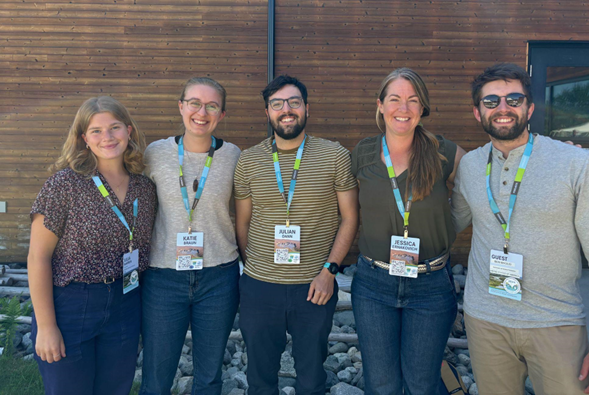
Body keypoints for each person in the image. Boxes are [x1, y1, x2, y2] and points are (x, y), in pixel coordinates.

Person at [451, 63, 589, 395]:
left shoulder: (576, 165)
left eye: (513, 99)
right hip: (486, 322)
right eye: (491, 101)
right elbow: (447, 225)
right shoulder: (471, 166)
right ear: (477, 112)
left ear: (529, 108)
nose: (503, 108)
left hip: (556, 323)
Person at [234, 75, 359, 395]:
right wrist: (258, 268)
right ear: (267, 112)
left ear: (307, 108)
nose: (286, 110)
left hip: (315, 287)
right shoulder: (248, 160)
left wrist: (329, 271)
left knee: (312, 377)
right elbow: (243, 223)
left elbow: (349, 218)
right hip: (259, 288)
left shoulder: (334, 155)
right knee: (260, 378)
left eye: (294, 102)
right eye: (277, 104)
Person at [28, 96, 157, 395]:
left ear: (129, 131)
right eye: (96, 131)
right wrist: (47, 327)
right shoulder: (65, 184)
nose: (107, 137)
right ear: (84, 139)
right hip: (72, 304)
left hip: (125, 303)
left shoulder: (145, 187)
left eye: (114, 128)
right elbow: (37, 257)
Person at [350, 67, 465, 395]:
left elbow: (483, 188)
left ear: (423, 108)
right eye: (395, 99)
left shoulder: (443, 151)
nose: (403, 108)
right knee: (381, 384)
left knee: (421, 384)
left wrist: (445, 226)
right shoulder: (362, 154)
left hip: (430, 285)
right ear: (380, 105)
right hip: (374, 285)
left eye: (413, 100)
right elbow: (342, 206)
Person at [140, 77, 241, 395]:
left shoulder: (235, 156)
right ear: (181, 106)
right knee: (157, 377)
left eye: (212, 105)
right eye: (195, 102)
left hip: (219, 276)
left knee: (209, 376)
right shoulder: (154, 154)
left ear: (222, 114)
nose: (202, 111)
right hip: (163, 277)